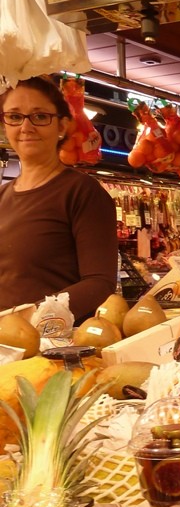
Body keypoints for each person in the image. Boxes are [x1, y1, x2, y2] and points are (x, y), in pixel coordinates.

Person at [0, 76, 119, 323]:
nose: (26, 127)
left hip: (55, 341)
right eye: (14, 116)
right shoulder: (2, 196)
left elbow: (99, 282)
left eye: (40, 116)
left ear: (62, 126)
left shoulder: (82, 192)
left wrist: (29, 318)